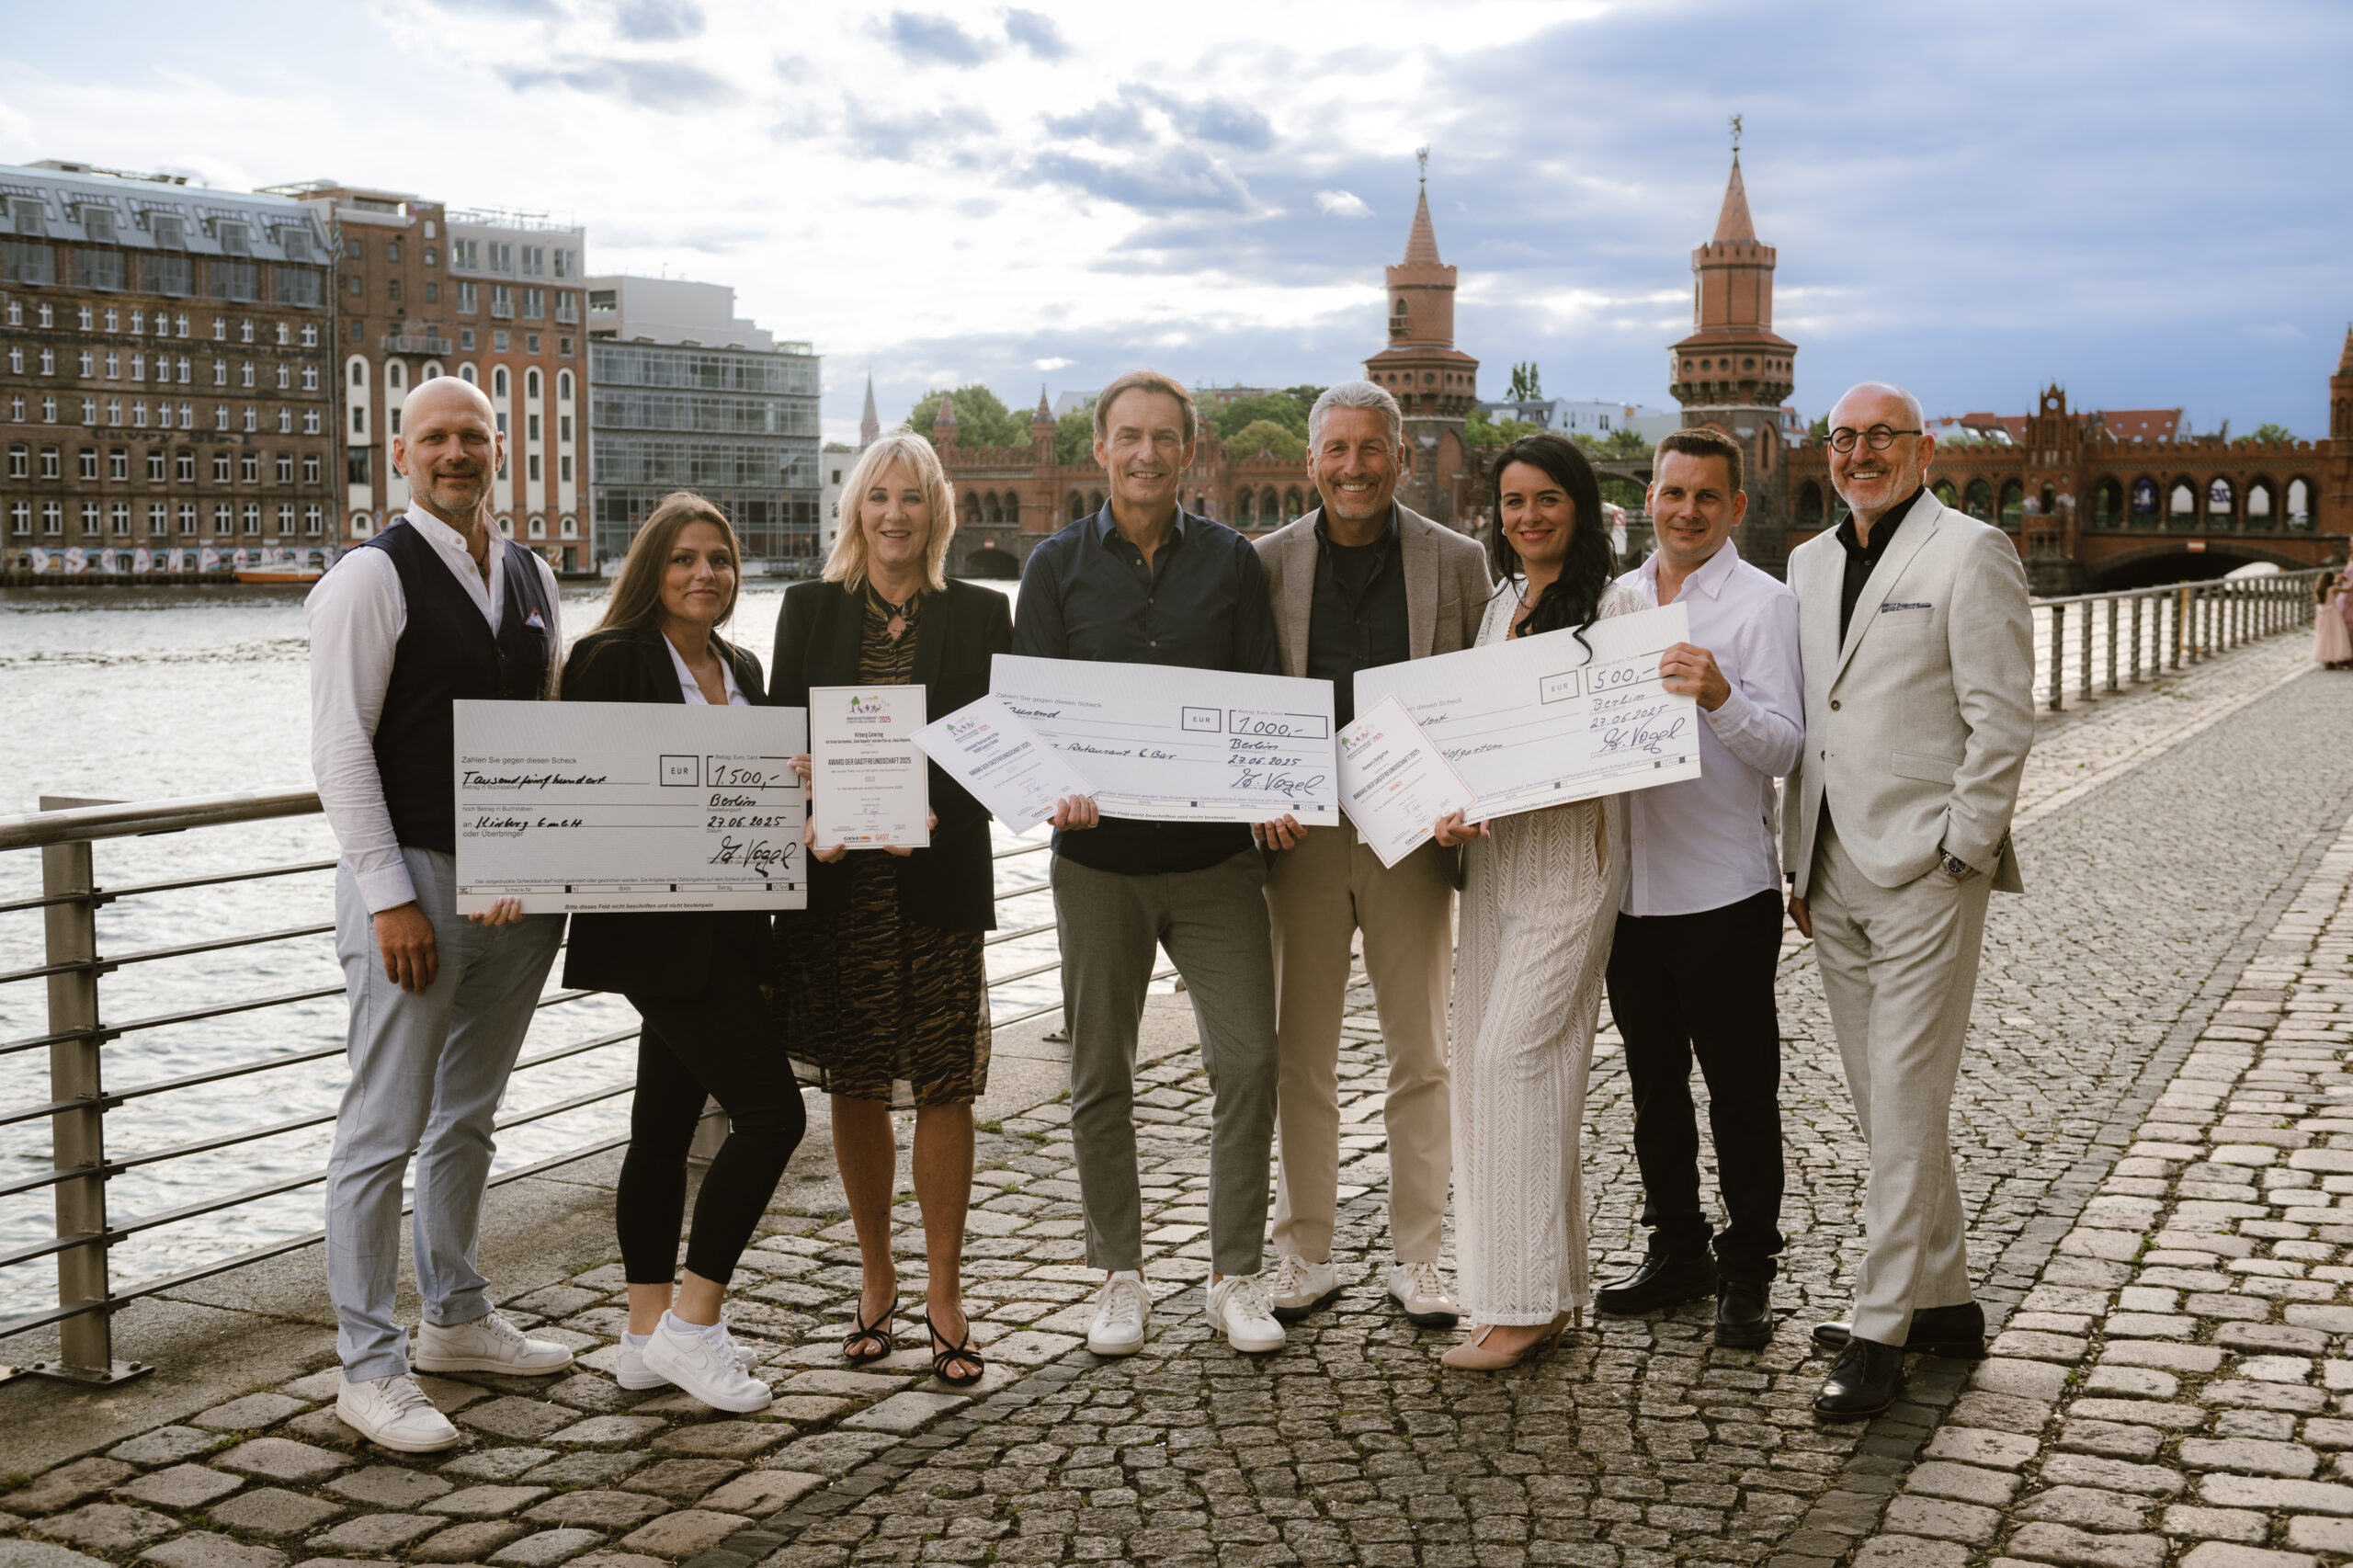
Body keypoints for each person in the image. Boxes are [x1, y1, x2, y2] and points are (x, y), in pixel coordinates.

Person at [307, 375, 573, 1453]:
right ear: (399, 452)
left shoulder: (530, 572)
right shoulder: (371, 576)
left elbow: (554, 738)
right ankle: (366, 1367)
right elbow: (339, 749)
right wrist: (388, 897)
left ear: (496, 447)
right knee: (379, 1129)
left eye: (473, 435)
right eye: (436, 438)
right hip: (416, 883)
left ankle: (454, 1317)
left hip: (516, 891)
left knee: (467, 1114)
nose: (455, 452)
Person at [1014, 370, 1290, 1357]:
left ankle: (1233, 1273)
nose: (1144, 453)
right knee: (1098, 1072)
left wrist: (1273, 786)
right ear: (1099, 449)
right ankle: (1120, 1273)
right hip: (1099, 859)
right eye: (1127, 436)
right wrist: (1053, 780)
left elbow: (1261, 697)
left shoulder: (1232, 562)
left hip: (1216, 858)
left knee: (1250, 1059)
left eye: (1163, 437)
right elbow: (1031, 718)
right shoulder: (1052, 567)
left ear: (1188, 451)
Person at [1784, 382, 2034, 1418]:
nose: (1858, 453)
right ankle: (1943, 1299)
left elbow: (2002, 717)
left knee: (1901, 1088)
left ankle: (1881, 1326)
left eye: (1879, 436)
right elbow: (1811, 711)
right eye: (1843, 438)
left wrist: (1960, 851)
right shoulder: (1802, 563)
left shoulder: (1969, 552)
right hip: (1828, 866)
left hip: (1927, 869)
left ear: (1921, 448)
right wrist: (1795, 861)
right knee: (1883, 1096)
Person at [559, 493, 804, 1413]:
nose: (706, 574)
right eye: (684, 559)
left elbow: (765, 796)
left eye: (720, 559)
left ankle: (640, 1335)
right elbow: (571, 785)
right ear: (652, 568)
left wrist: (807, 790)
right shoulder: (610, 658)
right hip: (655, 933)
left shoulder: (740, 664)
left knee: (661, 1129)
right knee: (772, 1116)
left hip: (735, 929)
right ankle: (694, 1326)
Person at [1252, 381, 1490, 1329]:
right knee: (1297, 1054)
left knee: (1419, 1053)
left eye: (1371, 449)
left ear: (1400, 456)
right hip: (1302, 837)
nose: (1354, 466)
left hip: (1412, 838)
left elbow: (1481, 696)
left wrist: (1469, 802)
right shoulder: (1262, 563)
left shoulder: (1459, 560)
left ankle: (1419, 1254)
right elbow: (1240, 695)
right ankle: (1301, 1251)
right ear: (1311, 463)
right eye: (1336, 450)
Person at [773, 432, 1009, 1387]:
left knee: (946, 1082)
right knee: (858, 1079)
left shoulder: (983, 615)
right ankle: (876, 1275)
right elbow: (785, 738)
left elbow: (1003, 753)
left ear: (937, 511)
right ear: (855, 510)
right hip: (842, 885)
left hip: (939, 879)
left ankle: (944, 1289)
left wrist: (940, 808)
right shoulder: (809, 610)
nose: (895, 515)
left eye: (912, 498)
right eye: (879, 497)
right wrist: (801, 790)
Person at [1429, 433, 1640, 1370]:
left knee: (1511, 1056)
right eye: (1512, 502)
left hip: (1569, 858)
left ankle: (1519, 1305)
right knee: (1498, 1067)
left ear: (1580, 506)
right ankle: (1534, 1290)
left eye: (1546, 499)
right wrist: (1443, 804)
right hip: (1495, 865)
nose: (1527, 517)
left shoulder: (1619, 603)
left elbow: (1631, 737)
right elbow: (1473, 740)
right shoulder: (1499, 603)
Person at [1591, 427, 1802, 1348]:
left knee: (1741, 1091)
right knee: (1652, 1090)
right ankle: (1676, 1246)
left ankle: (1748, 1263)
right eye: (1671, 494)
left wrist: (1720, 695)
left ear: (1735, 507)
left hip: (1724, 889)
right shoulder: (1616, 598)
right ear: (1649, 498)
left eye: (1705, 497)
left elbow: (1789, 749)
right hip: (1631, 889)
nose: (1685, 511)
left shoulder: (1765, 605)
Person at [2313, 571, 2349, 669]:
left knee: (2325, 637)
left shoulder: (2319, 590)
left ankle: (2327, 658)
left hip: (2323, 615)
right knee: (2336, 635)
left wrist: (2337, 578)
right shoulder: (2332, 589)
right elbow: (2348, 590)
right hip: (2333, 615)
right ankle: (2337, 656)